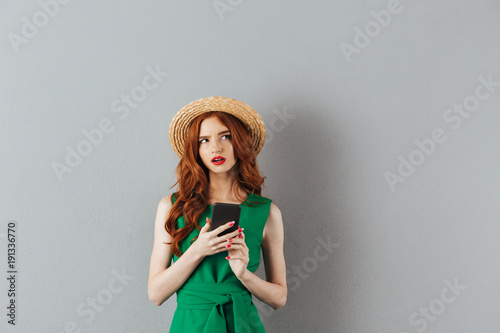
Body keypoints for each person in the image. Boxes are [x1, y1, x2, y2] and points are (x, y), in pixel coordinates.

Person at [148, 96, 287, 332]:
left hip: (242, 323)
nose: (216, 148)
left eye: (226, 136)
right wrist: (198, 250)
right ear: (195, 150)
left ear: (241, 142)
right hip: (190, 325)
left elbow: (279, 297)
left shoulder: (267, 212)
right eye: (204, 140)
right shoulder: (171, 207)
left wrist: (244, 274)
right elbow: (156, 293)